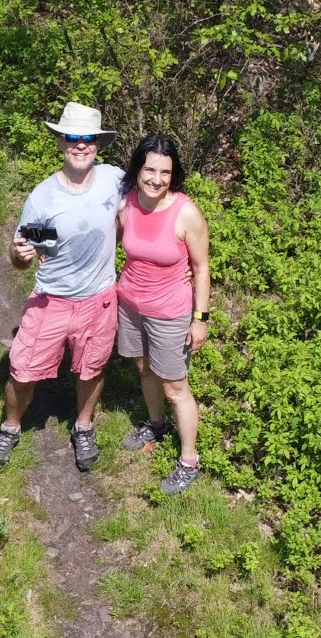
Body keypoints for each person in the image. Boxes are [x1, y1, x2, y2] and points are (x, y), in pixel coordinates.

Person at [0, 102, 124, 471]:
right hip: (52, 300)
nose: (81, 145)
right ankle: (10, 427)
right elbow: (21, 256)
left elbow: (146, 213)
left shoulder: (114, 179)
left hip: (99, 300)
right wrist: (20, 254)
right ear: (61, 143)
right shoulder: (42, 197)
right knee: (22, 370)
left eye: (88, 138)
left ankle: (83, 425)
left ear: (98, 144)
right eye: (73, 137)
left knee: (91, 369)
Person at [115, 134, 211, 494]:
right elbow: (108, 243)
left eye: (165, 172)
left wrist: (199, 320)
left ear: (174, 175)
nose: (156, 178)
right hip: (131, 306)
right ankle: (155, 425)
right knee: (143, 369)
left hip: (170, 313)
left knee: (176, 388)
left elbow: (201, 268)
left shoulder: (185, 212)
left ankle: (189, 461)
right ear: (137, 169)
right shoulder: (127, 204)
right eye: (150, 169)